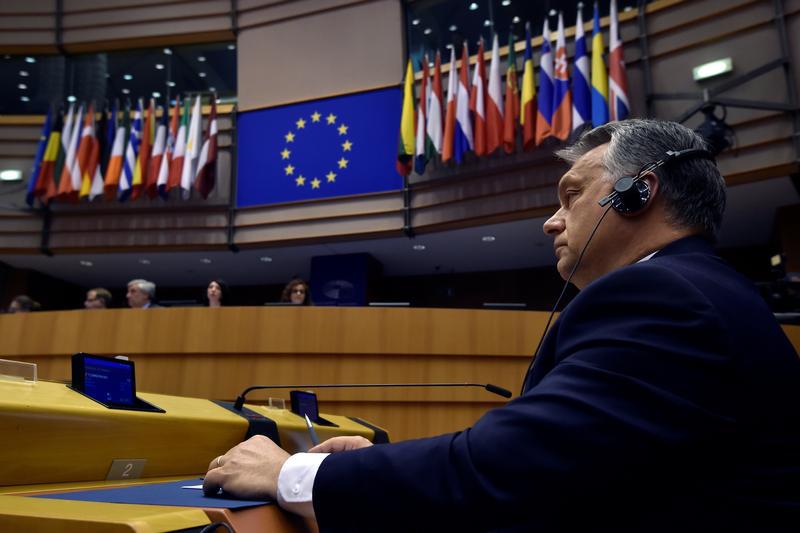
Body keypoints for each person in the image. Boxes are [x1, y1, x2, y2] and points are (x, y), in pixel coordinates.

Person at [203, 120, 800, 531]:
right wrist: (367, 469)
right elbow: (570, 461)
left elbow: (505, 469)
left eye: (570, 196)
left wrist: (294, 472)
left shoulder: (664, 295)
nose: (551, 222)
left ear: (635, 193)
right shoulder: (700, 289)